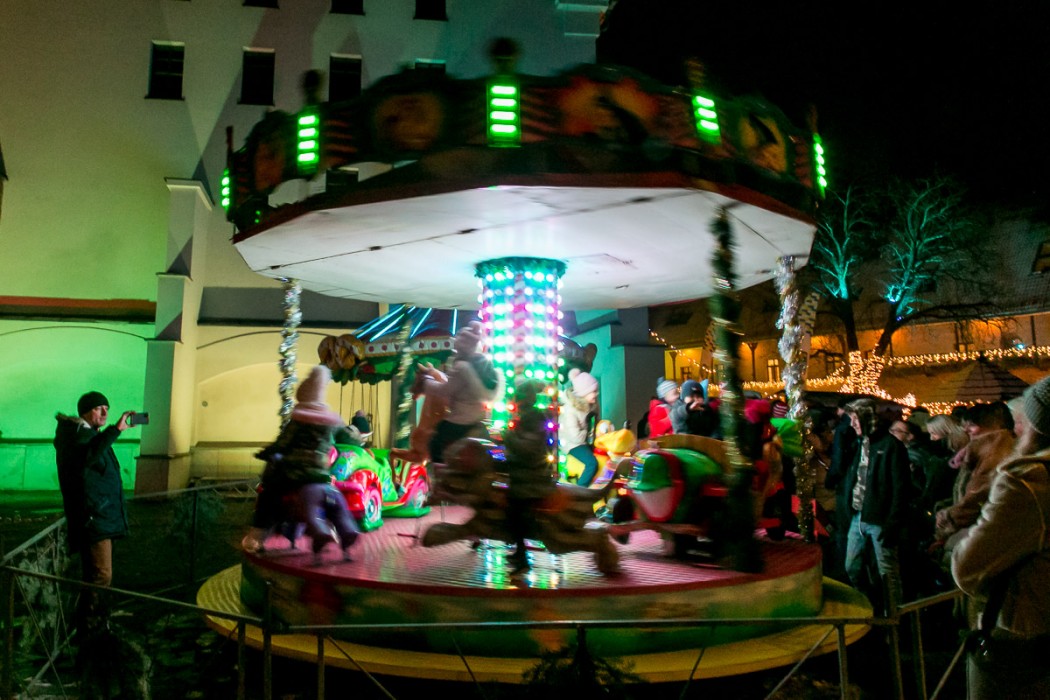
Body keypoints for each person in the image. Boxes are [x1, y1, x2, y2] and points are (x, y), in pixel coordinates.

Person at [952, 375, 1050, 699]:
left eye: (1022, 420)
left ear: (1038, 426)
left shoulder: (1028, 481)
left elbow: (967, 568)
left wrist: (958, 540)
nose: (1016, 428)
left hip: (1022, 640)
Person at [244, 365, 359, 558]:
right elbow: (348, 437)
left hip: (294, 474)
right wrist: (357, 436)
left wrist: (265, 453)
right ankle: (347, 529)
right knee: (337, 503)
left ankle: (257, 536)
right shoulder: (330, 421)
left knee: (268, 496)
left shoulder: (298, 420)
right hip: (321, 474)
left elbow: (282, 444)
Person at [54, 391, 138, 639]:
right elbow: (88, 457)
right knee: (101, 574)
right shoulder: (77, 435)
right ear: (85, 411)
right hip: (92, 517)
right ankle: (91, 629)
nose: (104, 412)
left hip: (101, 515)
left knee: (96, 574)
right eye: (99, 408)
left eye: (107, 408)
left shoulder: (88, 435)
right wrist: (115, 430)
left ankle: (95, 622)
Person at [842, 398, 911, 615]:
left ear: (867, 418)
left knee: (887, 572)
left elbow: (901, 488)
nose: (852, 423)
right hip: (859, 516)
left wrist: (893, 522)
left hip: (880, 519)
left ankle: (894, 616)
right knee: (852, 566)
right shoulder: (860, 443)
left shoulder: (891, 447)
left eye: (855, 418)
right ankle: (868, 605)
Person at [932, 403, 1015, 557]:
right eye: (965, 425)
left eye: (972, 425)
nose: (966, 430)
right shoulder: (978, 450)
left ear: (993, 426)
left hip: (979, 533)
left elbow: (979, 495)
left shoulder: (994, 452)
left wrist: (948, 517)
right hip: (974, 529)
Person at [419, 320, 501, 465]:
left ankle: (440, 469)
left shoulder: (462, 367)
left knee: (435, 441)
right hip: (478, 419)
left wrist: (426, 382)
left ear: (462, 347)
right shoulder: (481, 365)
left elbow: (444, 390)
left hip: (460, 420)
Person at [504, 379, 556, 574]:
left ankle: (522, 557)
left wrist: (509, 437)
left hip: (533, 478)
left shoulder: (532, 418)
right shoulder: (529, 417)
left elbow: (528, 448)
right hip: (528, 474)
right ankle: (519, 551)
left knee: (514, 510)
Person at [823, 397, 858, 579]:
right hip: (856, 483)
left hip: (845, 483)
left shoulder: (843, 429)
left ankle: (843, 570)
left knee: (844, 530)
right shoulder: (860, 428)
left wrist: (830, 480)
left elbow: (838, 460)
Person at [559, 368, 600, 485]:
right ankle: (580, 490)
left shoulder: (590, 407)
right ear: (583, 393)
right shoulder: (571, 410)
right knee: (592, 463)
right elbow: (575, 437)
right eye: (593, 391)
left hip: (583, 441)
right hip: (572, 444)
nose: (596, 394)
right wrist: (589, 431)